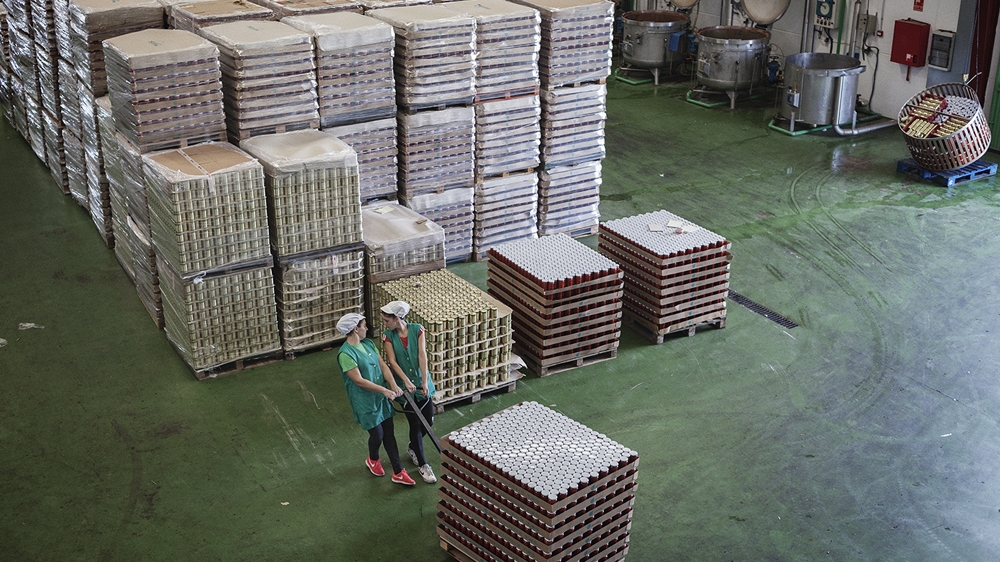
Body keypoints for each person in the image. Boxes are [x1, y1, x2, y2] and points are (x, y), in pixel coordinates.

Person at [335, 312, 415, 486]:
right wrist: (384, 391)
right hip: (365, 400)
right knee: (377, 434)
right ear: (356, 329)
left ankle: (398, 471)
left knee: (389, 433)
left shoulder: (369, 344)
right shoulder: (345, 354)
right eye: (364, 325)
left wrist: (393, 385)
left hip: (381, 396)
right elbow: (359, 380)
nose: (367, 328)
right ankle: (373, 459)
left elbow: (383, 366)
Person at [380, 300, 437, 484]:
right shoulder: (388, 336)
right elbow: (392, 361)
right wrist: (405, 381)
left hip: (422, 384)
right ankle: (423, 464)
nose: (385, 323)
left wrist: (423, 381)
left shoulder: (417, 329)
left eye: (387, 320)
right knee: (415, 424)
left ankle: (413, 447)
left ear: (397, 318)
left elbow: (422, 354)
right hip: (405, 388)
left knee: (428, 421)